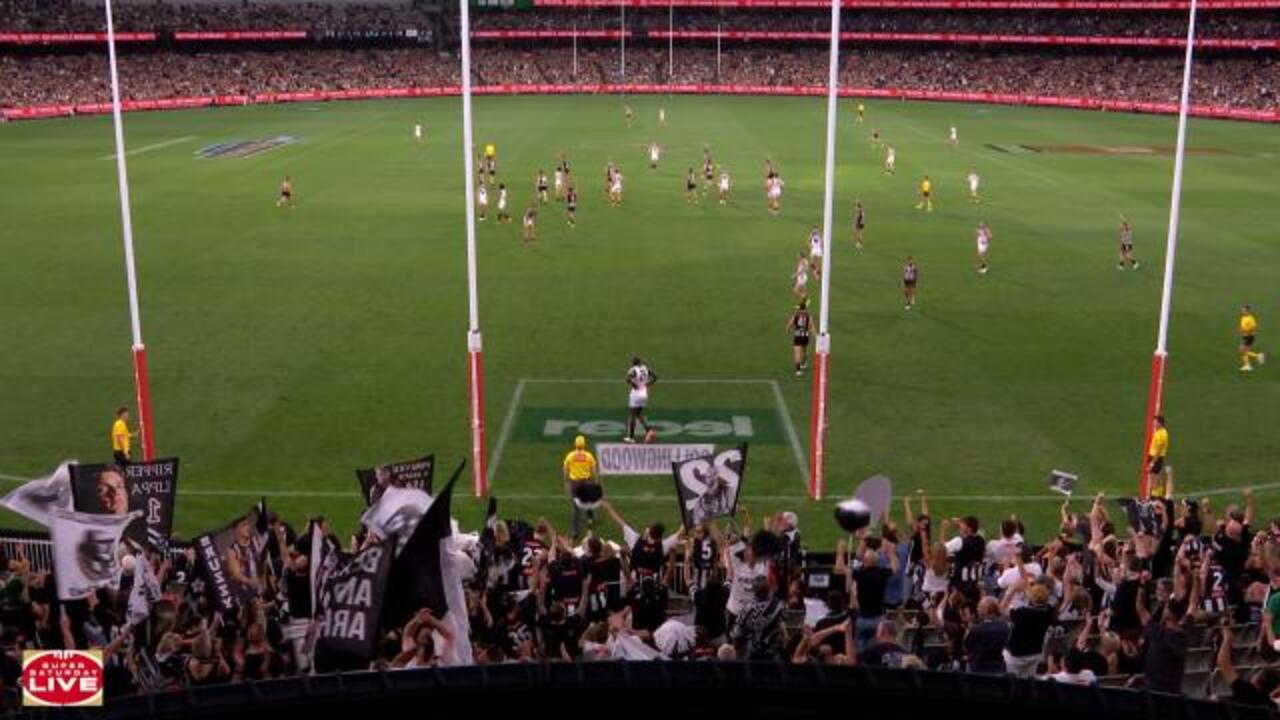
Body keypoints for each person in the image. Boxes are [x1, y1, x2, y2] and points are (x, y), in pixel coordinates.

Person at [562, 435, 599, 540]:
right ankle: (590, 528)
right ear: (584, 444)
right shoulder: (588, 456)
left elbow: (565, 469)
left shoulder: (570, 455)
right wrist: (596, 482)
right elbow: (594, 470)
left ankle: (575, 532)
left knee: (575, 508)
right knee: (589, 504)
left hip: (575, 483)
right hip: (586, 482)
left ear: (575, 444)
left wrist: (566, 482)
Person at [624, 357, 656, 443]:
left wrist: (634, 385)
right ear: (640, 362)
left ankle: (631, 437)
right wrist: (647, 385)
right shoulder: (645, 368)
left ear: (633, 363)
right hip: (644, 394)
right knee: (638, 414)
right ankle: (649, 430)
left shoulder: (633, 370)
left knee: (633, 415)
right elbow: (655, 377)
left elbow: (627, 379)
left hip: (636, 394)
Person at [787, 299, 812, 376]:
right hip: (805, 336)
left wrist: (787, 330)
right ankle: (803, 363)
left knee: (797, 353)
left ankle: (798, 370)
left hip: (798, 336)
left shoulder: (796, 316)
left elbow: (789, 325)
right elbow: (810, 327)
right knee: (804, 351)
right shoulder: (808, 316)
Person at [1147, 415, 1169, 498]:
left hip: (1156, 458)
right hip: (1155, 458)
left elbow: (1159, 450)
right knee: (1155, 479)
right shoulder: (1161, 432)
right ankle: (1154, 497)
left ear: (1160, 423)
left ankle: (1152, 498)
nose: (1154, 425)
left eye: (1156, 423)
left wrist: (1152, 462)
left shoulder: (1162, 434)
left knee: (1154, 480)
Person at [1239, 304, 1266, 371]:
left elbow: (1254, 327)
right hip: (1246, 336)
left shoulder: (1250, 318)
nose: (1242, 311)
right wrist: (1242, 330)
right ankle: (1257, 357)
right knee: (1245, 351)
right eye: (1242, 310)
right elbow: (1243, 327)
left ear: (1248, 311)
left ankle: (1248, 365)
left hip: (1249, 336)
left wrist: (1247, 332)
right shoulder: (1243, 317)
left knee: (1242, 350)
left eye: (1244, 310)